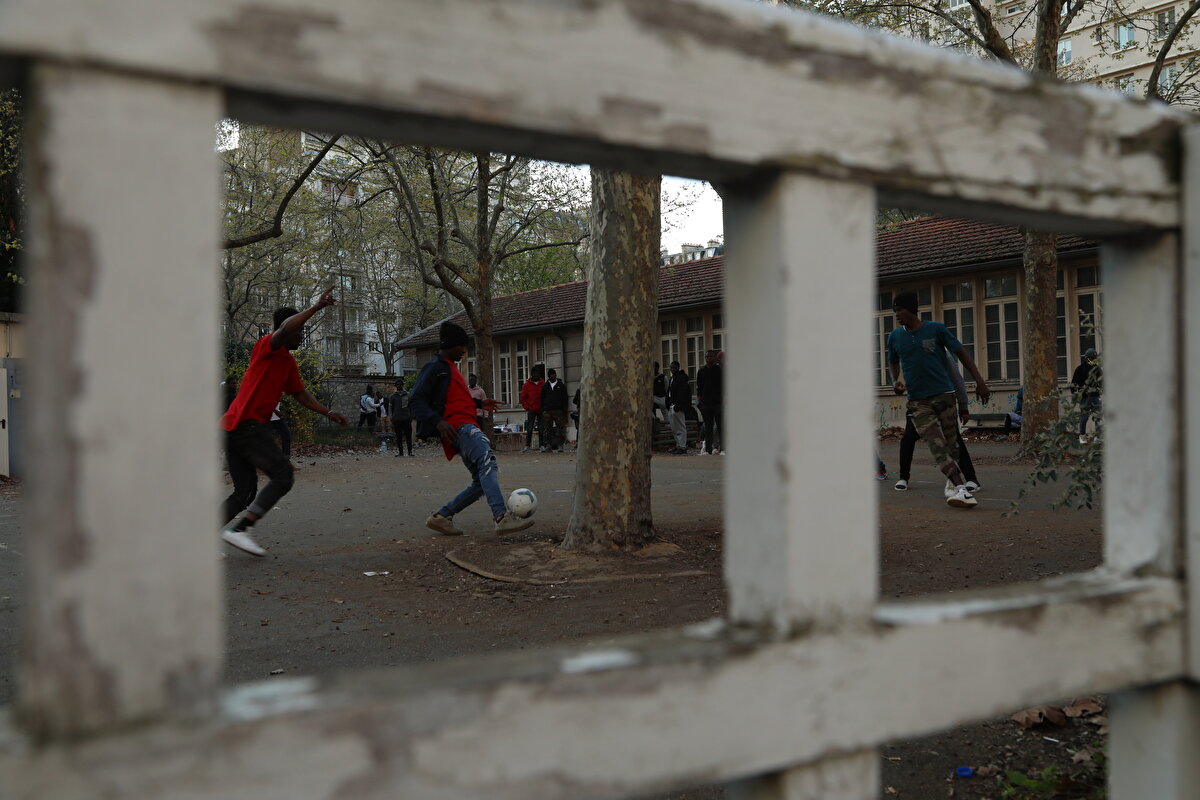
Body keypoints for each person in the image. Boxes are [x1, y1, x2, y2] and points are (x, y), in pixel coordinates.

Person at [221, 289, 349, 556]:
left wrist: (328, 412)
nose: (302, 336)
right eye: (299, 331)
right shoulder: (266, 346)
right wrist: (315, 307)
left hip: (235, 428)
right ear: (286, 330)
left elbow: (300, 394)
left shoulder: (288, 363)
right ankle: (241, 529)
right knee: (284, 475)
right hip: (247, 425)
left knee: (244, 493)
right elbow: (285, 329)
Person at [410, 321, 534, 536]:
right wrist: (437, 422)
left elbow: (453, 400)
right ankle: (501, 517)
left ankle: (442, 517)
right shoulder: (435, 367)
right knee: (488, 464)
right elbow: (415, 401)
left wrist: (478, 404)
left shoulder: (450, 369)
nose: (464, 350)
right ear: (450, 345)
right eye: (461, 346)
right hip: (461, 428)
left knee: (480, 481)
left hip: (465, 425)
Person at [888, 290, 990, 509]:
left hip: (944, 395)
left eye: (900, 310)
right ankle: (961, 487)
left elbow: (961, 354)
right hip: (918, 401)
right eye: (894, 311)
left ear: (912, 310)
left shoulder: (936, 330)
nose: (897, 315)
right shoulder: (895, 336)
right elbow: (893, 361)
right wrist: (895, 381)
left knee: (952, 445)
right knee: (935, 442)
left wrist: (979, 382)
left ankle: (955, 485)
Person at [894, 351, 981, 493]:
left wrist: (963, 406)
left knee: (954, 439)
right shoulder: (908, 351)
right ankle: (903, 477)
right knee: (908, 438)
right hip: (919, 405)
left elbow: (957, 380)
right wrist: (900, 387)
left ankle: (971, 479)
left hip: (942, 403)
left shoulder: (942, 354)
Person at [695, 349, 723, 455]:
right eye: (707, 357)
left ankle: (723, 449)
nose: (708, 358)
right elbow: (699, 387)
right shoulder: (701, 371)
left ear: (715, 358)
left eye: (711, 356)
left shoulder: (720, 370)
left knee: (720, 426)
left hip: (718, 403)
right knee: (708, 427)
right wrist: (699, 400)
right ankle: (708, 449)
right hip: (705, 404)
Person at [1071, 348, 1102, 444]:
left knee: (1098, 416)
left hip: (1095, 397)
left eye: (1095, 358)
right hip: (1084, 398)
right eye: (1092, 358)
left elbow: (1102, 381)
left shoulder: (1097, 369)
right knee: (1084, 418)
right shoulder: (1080, 369)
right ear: (1087, 358)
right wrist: (1077, 391)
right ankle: (1082, 437)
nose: (1093, 360)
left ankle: (1097, 437)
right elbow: (1074, 384)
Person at [541, 368, 569, 452]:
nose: (553, 376)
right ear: (548, 376)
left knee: (560, 428)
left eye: (554, 374)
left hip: (559, 410)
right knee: (547, 429)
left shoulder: (561, 385)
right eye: (551, 375)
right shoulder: (545, 387)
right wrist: (543, 410)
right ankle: (548, 445)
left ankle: (560, 445)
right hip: (548, 411)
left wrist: (564, 409)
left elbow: (565, 398)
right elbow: (542, 399)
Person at [667, 360, 692, 454]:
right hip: (672, 405)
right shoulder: (672, 378)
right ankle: (678, 445)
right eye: (671, 367)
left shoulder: (681, 378)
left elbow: (682, 393)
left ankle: (682, 446)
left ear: (678, 368)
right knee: (674, 427)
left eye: (674, 367)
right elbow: (669, 392)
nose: (672, 369)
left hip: (678, 406)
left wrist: (678, 405)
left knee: (680, 427)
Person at [519, 364, 545, 453]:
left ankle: (542, 445)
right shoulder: (526, 385)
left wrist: (544, 406)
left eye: (538, 373)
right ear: (532, 374)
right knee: (529, 428)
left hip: (541, 409)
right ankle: (527, 445)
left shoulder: (543, 383)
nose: (537, 375)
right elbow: (523, 397)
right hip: (531, 409)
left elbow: (546, 396)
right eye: (535, 373)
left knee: (541, 428)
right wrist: (527, 407)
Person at [390, 378, 414, 457]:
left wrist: (411, 416)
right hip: (397, 419)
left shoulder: (408, 395)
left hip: (406, 419)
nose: (399, 386)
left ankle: (410, 452)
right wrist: (391, 417)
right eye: (397, 385)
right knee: (398, 437)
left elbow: (411, 406)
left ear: (402, 385)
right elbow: (390, 408)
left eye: (400, 384)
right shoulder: (393, 396)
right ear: (395, 386)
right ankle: (401, 453)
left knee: (408, 436)